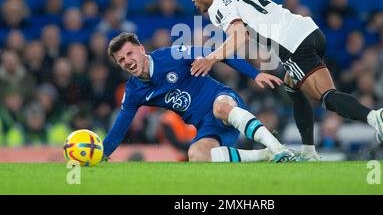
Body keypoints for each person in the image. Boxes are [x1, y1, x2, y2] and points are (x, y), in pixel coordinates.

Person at [189, 0, 383, 160]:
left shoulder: (217, 7)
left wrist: (210, 58)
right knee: (292, 86)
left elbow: (239, 36)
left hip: (292, 45)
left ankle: (373, 117)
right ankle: (309, 151)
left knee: (326, 97)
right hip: (309, 31)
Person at [102, 32, 295, 163]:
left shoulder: (172, 56)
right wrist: (100, 154)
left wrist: (254, 74)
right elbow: (120, 127)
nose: (127, 61)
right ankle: (264, 155)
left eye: (129, 53)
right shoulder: (134, 91)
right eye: (121, 60)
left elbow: (220, 55)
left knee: (219, 108)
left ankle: (279, 149)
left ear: (142, 49)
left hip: (222, 100)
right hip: (205, 125)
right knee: (197, 155)